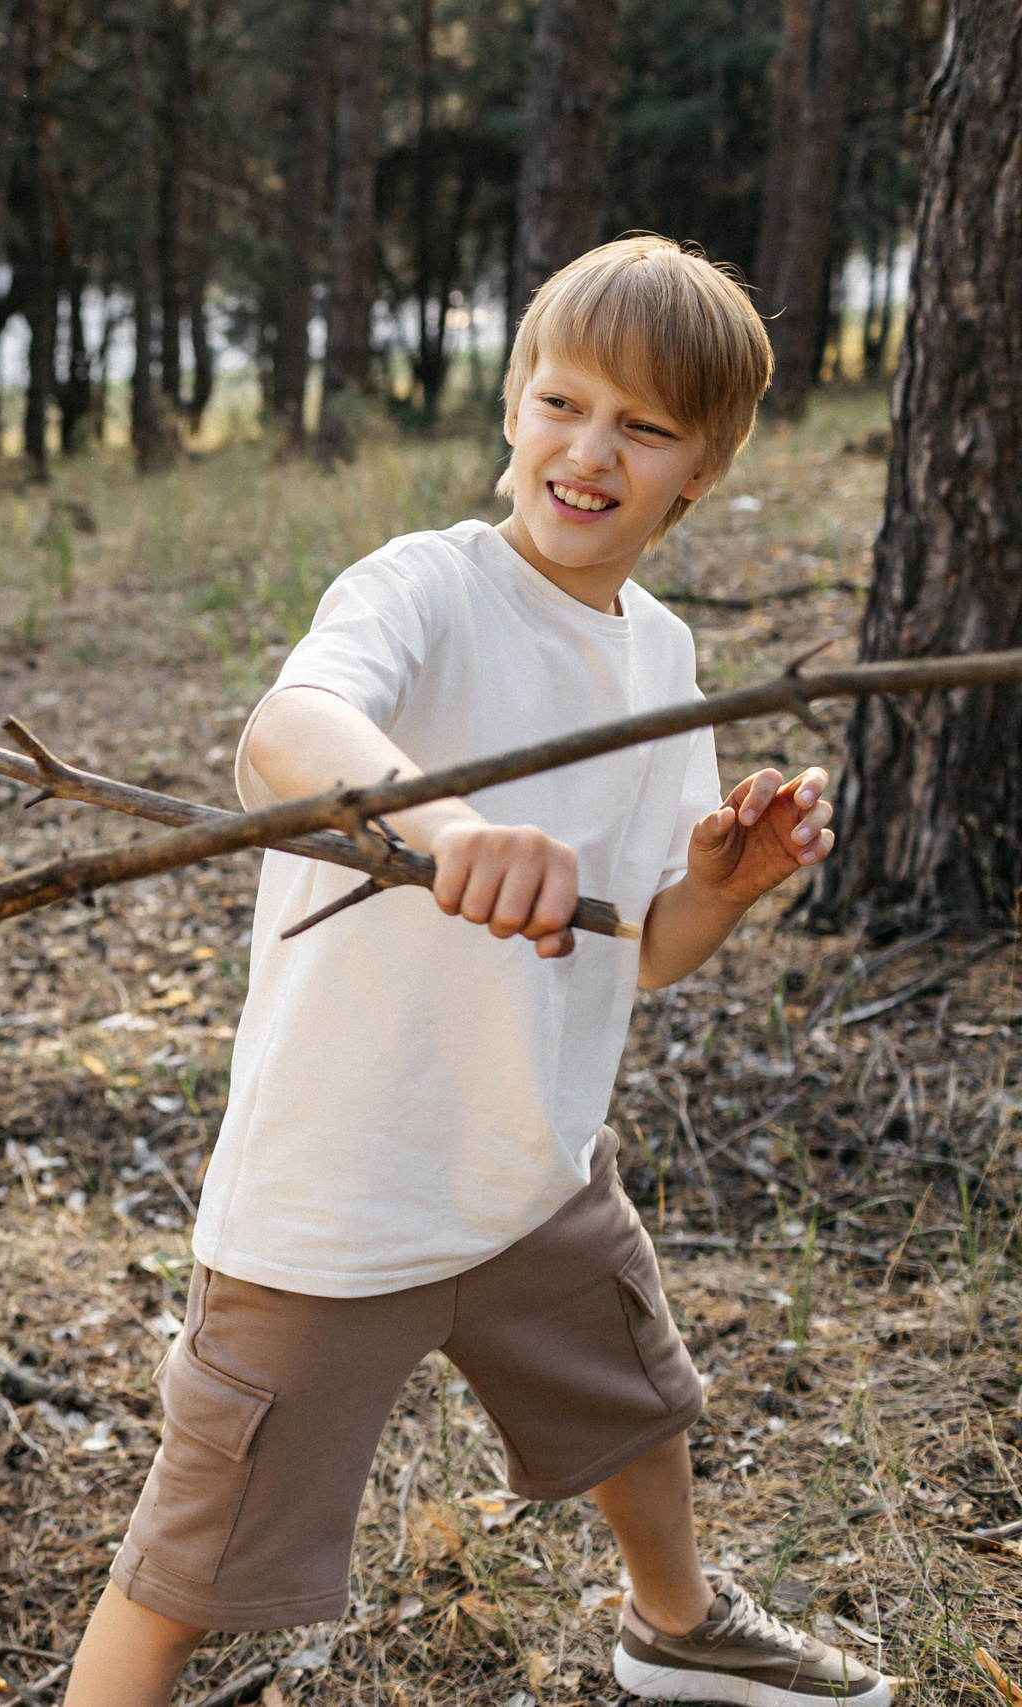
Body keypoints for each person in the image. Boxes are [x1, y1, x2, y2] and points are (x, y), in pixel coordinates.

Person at [65, 237, 886, 1707]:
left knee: (639, 1401)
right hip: (342, 1195)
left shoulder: (663, 653)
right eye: (564, 402)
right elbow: (289, 728)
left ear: (701, 469)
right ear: (513, 407)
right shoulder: (425, 587)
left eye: (644, 427)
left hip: (529, 1161)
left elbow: (644, 950)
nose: (591, 450)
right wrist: (447, 826)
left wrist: (719, 887)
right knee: (192, 1552)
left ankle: (676, 1623)